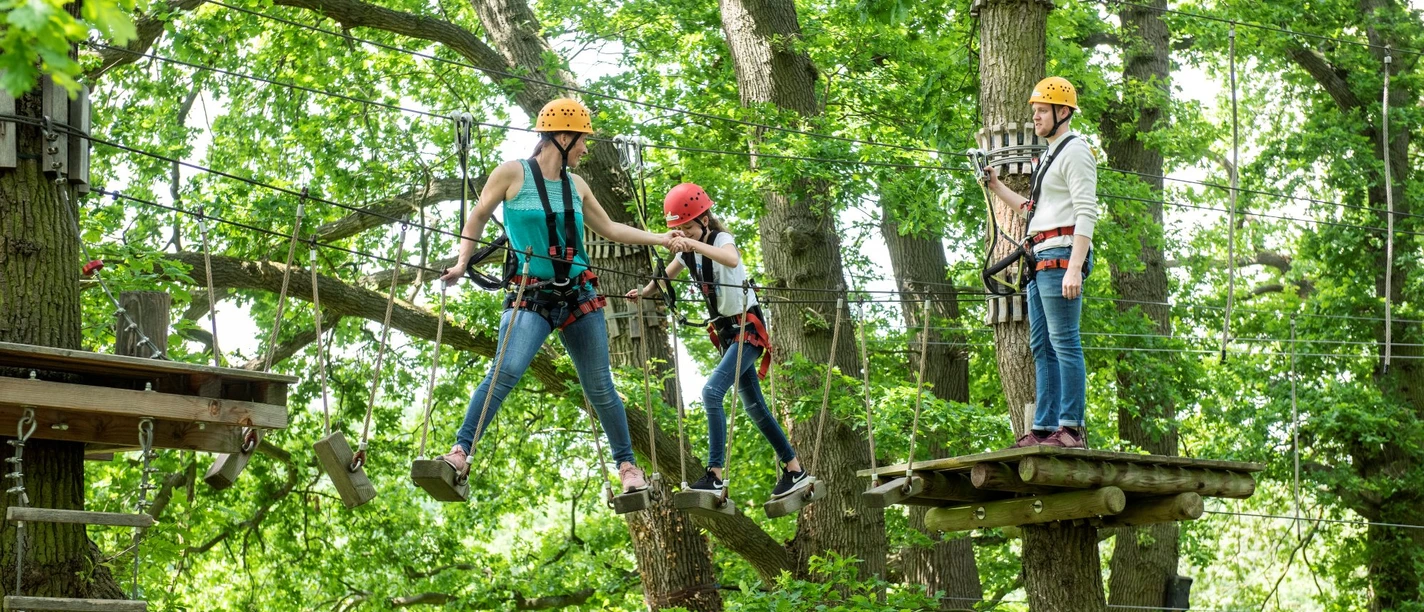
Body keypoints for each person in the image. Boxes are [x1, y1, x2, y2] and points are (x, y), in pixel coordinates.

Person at [438, 98, 681, 494]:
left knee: (600, 385)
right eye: (583, 140)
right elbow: (478, 216)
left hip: (578, 297)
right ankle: (461, 452)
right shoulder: (511, 174)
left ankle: (628, 469)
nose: (586, 148)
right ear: (563, 137)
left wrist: (661, 238)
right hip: (530, 297)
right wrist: (463, 263)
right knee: (505, 371)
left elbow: (611, 228)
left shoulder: (576, 185)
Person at [627, 183, 814, 500]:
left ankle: (714, 475)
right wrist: (645, 292)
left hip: (748, 329)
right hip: (728, 335)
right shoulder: (689, 252)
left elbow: (729, 259)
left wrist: (693, 246)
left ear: (704, 219)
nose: (683, 232)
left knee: (711, 392)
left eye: (687, 226)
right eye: (679, 228)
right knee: (755, 408)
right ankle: (795, 470)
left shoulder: (720, 239)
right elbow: (666, 277)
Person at [983, 76, 1099, 449]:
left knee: (1064, 342)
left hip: (1062, 256)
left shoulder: (1075, 150)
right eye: (1034, 111)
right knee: (1042, 346)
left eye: (1042, 111)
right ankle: (1046, 428)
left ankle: (1071, 428)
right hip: (1040, 257)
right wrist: (996, 186)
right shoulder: (1051, 155)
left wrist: (1075, 267)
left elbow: (1086, 213)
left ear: (1063, 112)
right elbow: (1032, 211)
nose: (1035, 117)